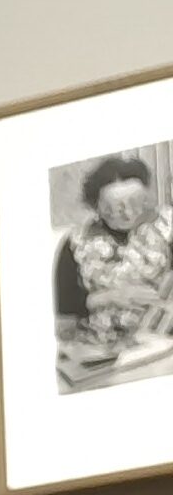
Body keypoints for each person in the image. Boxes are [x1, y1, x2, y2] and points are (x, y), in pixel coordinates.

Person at [53, 151, 173, 388]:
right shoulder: (74, 243)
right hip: (100, 355)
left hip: (162, 347)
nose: (128, 214)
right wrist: (110, 297)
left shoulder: (167, 227)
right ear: (96, 205)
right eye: (115, 207)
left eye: (137, 203)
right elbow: (64, 317)